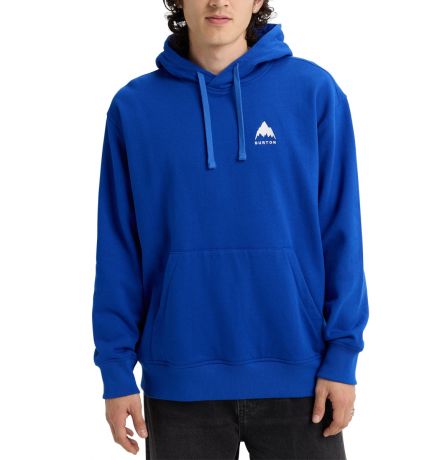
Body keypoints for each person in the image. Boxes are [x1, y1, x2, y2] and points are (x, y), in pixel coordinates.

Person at [91, 0, 370, 458]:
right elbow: (118, 246)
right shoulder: (134, 108)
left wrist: (342, 356)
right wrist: (116, 369)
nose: (219, 1)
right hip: (179, 380)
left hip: (301, 377)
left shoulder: (313, 93)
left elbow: (342, 231)